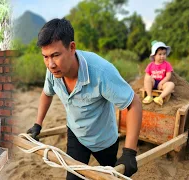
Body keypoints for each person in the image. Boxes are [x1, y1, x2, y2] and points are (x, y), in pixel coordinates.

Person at [26, 18, 142, 179]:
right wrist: (37, 124)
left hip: (104, 138)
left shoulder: (101, 72)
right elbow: (46, 93)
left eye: (55, 55)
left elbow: (134, 103)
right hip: (76, 134)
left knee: (112, 176)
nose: (50, 64)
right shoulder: (53, 70)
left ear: (72, 47)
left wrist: (129, 152)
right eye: (45, 57)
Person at [142, 40, 175, 106]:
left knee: (171, 84)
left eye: (164, 54)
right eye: (160, 54)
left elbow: (168, 76)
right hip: (153, 82)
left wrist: (162, 82)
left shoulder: (167, 64)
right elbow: (147, 76)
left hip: (163, 83)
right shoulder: (151, 65)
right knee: (147, 78)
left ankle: (160, 98)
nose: (162, 56)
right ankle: (149, 96)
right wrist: (149, 81)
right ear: (154, 55)